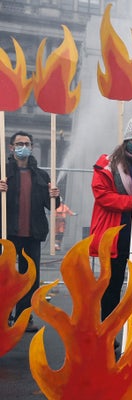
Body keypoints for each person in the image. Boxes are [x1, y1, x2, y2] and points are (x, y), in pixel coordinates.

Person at [89, 117, 132, 333]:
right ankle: (106, 331)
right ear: (126, 139)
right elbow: (103, 196)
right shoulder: (107, 164)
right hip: (115, 235)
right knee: (111, 286)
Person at [0, 131, 60, 332]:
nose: (23, 146)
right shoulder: (3, 173)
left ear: (32, 146)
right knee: (6, 278)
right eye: (19, 143)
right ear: (11, 147)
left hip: (33, 234)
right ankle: (4, 316)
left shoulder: (42, 175)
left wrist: (54, 196)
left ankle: (24, 318)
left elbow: (51, 206)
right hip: (9, 234)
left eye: (26, 143)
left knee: (30, 279)